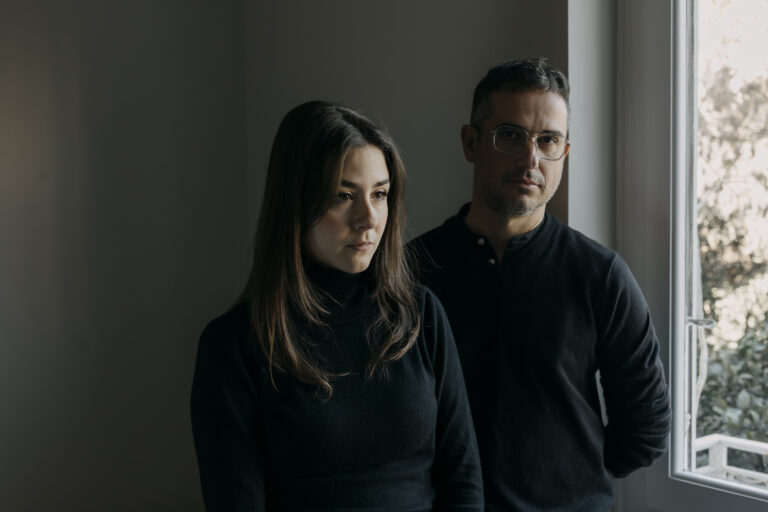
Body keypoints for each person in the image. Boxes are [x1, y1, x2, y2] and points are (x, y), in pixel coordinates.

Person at [190, 100, 483, 511]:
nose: (369, 218)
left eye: (380, 194)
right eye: (344, 196)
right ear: (297, 203)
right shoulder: (235, 345)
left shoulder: (421, 315)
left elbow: (463, 481)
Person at [410, 59, 671, 511]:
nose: (530, 159)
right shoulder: (411, 269)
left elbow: (646, 427)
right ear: (471, 143)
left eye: (547, 140)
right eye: (510, 135)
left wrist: (574, 483)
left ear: (563, 153)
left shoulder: (600, 275)